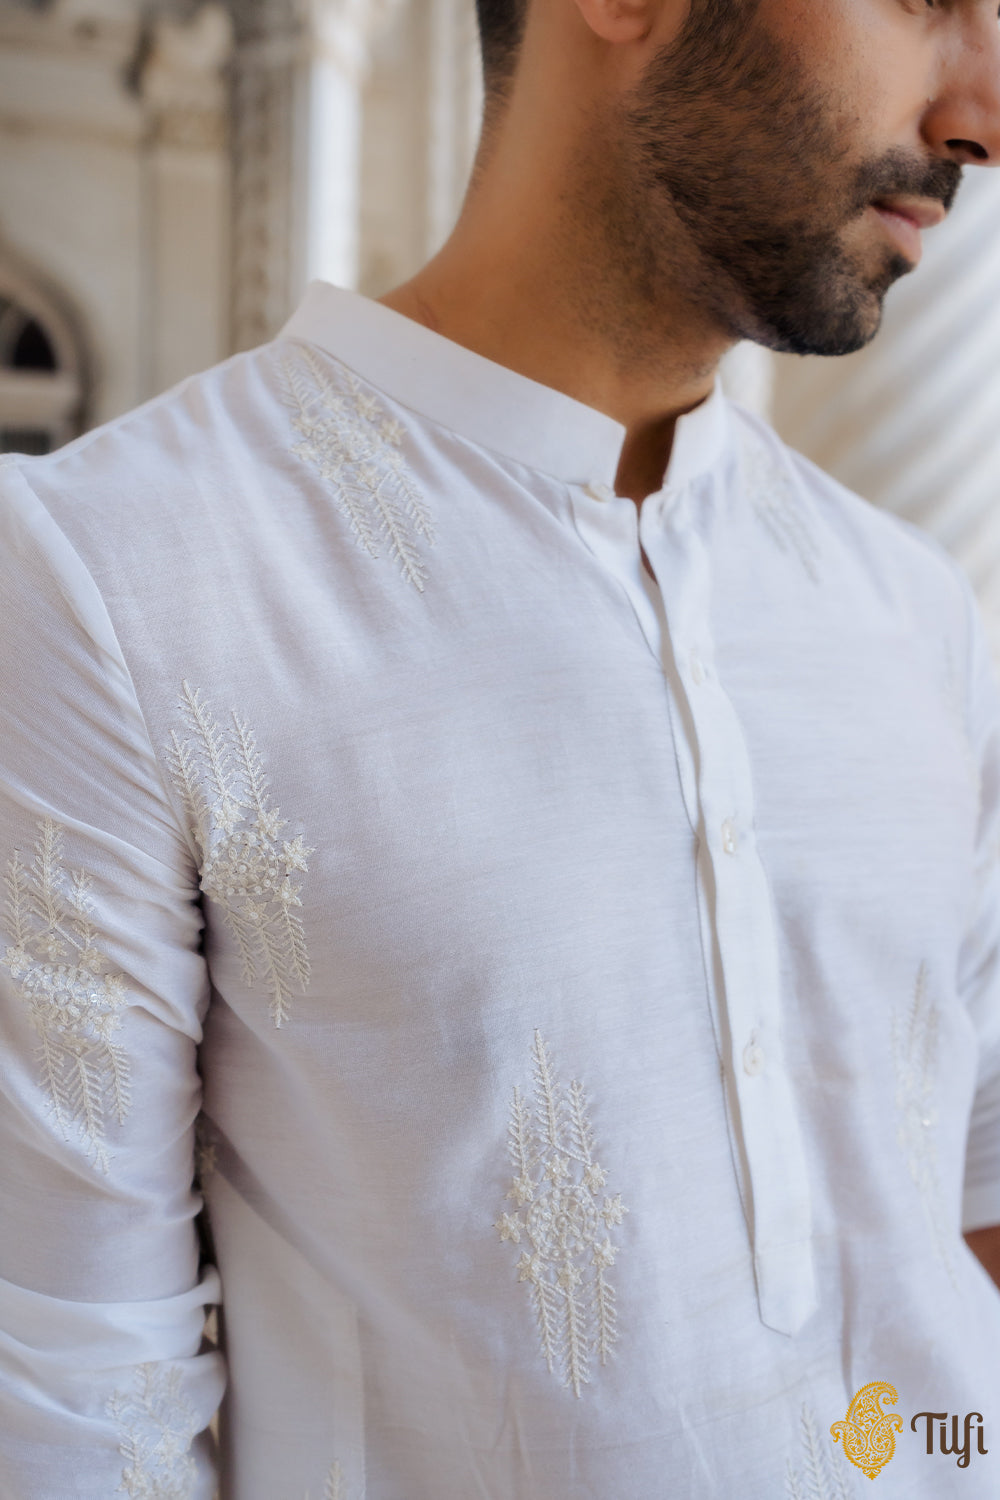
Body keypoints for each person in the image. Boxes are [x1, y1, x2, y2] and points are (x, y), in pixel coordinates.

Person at [2, 0, 1000, 1491]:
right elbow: (81, 1420)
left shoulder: (917, 614)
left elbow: (968, 1210)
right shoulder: (113, 579)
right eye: (927, 1)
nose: (983, 112)